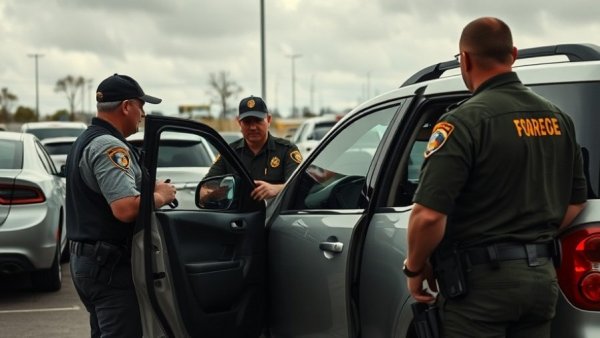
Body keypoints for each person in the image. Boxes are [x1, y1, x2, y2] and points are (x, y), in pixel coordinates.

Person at [404, 17, 587, 338]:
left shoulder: (463, 121)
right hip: (542, 281)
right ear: (513, 54)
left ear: (466, 58)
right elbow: (575, 202)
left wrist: (415, 267)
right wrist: (529, 236)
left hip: (481, 288)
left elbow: (429, 216)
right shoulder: (559, 118)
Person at [65, 74, 177, 337]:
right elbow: (125, 208)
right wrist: (162, 195)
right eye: (141, 105)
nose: (143, 113)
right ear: (126, 106)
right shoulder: (108, 146)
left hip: (91, 262)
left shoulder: (86, 139)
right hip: (109, 268)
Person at [203, 95, 302, 201]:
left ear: (268, 120)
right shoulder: (229, 153)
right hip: (239, 216)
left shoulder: (286, 150)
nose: (253, 127)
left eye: (258, 120)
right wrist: (217, 194)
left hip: (275, 216)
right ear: (239, 122)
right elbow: (204, 189)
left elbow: (300, 186)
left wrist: (277, 189)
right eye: (247, 121)